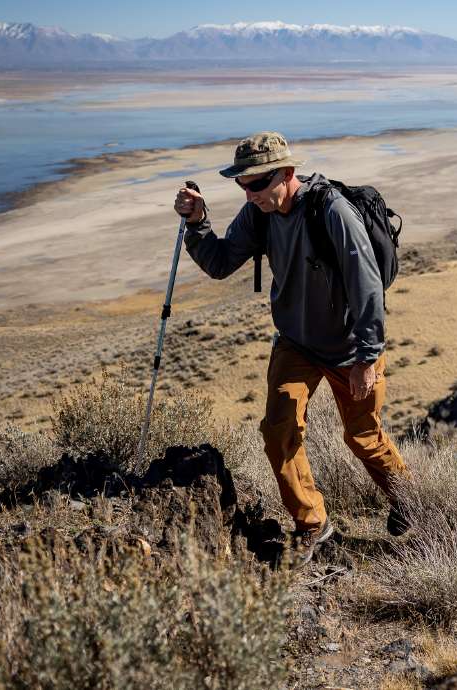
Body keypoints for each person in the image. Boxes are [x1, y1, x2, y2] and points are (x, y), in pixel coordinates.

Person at [173, 131, 409, 565]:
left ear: (286, 173)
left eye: (257, 184)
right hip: (296, 343)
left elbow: (367, 286)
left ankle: (412, 502)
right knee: (279, 431)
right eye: (242, 185)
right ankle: (312, 524)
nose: (249, 193)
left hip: (350, 347)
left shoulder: (331, 211)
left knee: (363, 436)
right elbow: (221, 263)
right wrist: (197, 224)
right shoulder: (257, 214)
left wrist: (368, 357)